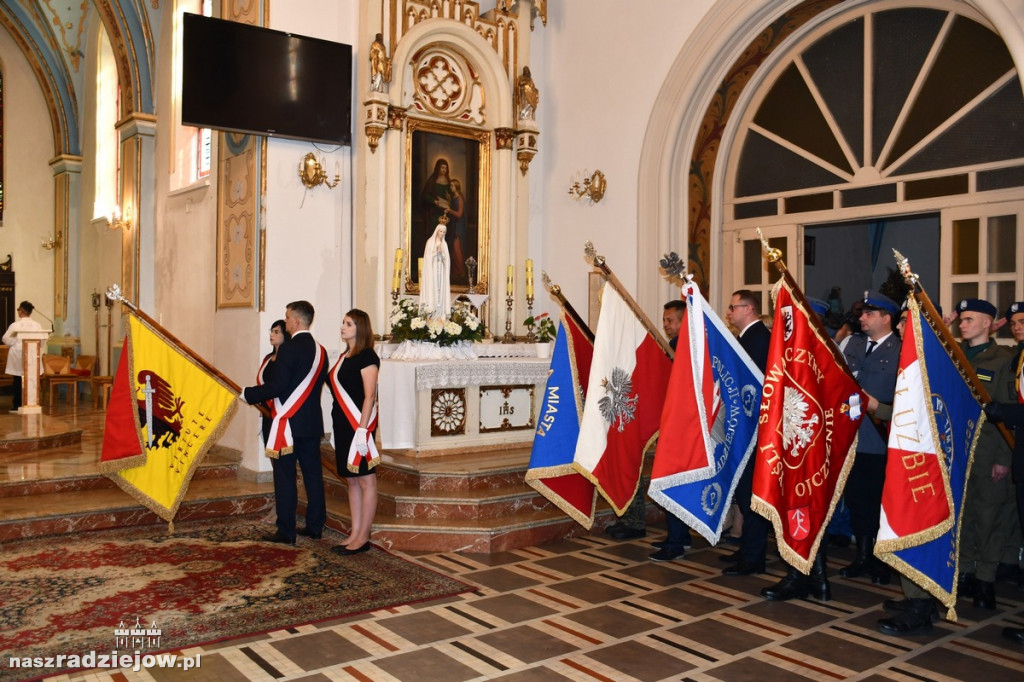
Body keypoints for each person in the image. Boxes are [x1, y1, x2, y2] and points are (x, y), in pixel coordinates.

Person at [241, 301, 328, 545]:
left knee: (285, 476)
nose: (286, 320)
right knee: (313, 475)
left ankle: (286, 530)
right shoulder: (321, 351)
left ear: (297, 321)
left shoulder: (289, 349)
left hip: (286, 424)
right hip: (310, 424)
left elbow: (277, 387)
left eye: (288, 317)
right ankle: (315, 526)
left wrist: (248, 394)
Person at [952, 298, 1014, 610]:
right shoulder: (955, 356)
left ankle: (985, 580)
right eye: (960, 320)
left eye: (969, 320)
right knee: (963, 514)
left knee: (991, 516)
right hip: (958, 448)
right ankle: (964, 571)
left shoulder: (1001, 359)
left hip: (990, 449)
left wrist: (1004, 457)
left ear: (987, 323)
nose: (962, 325)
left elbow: (1007, 413)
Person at [838, 291, 901, 586]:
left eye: (869, 314)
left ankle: (880, 560)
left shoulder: (900, 350)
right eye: (862, 314)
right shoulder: (854, 345)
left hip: (881, 439)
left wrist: (881, 409)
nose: (862, 318)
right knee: (857, 500)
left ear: (886, 318)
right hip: (851, 437)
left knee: (879, 502)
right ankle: (863, 554)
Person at [721, 290, 772, 577]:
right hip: (742, 429)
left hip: (754, 430)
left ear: (748, 309)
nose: (729, 312)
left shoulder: (759, 338)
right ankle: (746, 551)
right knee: (743, 492)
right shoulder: (746, 338)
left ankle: (754, 557)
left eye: (733, 307)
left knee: (752, 495)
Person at [328, 309, 381, 555]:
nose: (342, 326)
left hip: (359, 425)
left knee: (366, 479)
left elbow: (369, 396)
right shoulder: (344, 356)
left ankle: (363, 536)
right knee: (351, 479)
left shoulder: (367, 357)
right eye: (343, 322)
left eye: (348, 323)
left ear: (359, 328)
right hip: (342, 424)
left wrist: (362, 430)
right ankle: (355, 531)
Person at [650, 300, 695, 562]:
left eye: (670, 320)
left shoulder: (681, 346)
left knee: (671, 481)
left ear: (682, 320)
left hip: (679, 426)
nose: (666, 325)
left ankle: (677, 542)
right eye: (664, 320)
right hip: (675, 423)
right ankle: (679, 536)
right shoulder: (679, 344)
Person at [3, 301, 45, 411]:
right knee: (32, 380)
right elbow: (42, 342)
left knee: (18, 381)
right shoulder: (37, 325)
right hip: (32, 356)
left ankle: (17, 405)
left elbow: (6, 340)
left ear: (21, 311)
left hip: (18, 356)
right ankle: (33, 404)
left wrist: (14, 342)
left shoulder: (15, 325)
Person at [255, 320, 291, 446]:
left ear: (285, 335)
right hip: (266, 408)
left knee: (279, 448)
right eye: (271, 331)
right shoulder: (268, 358)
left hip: (279, 408)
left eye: (276, 332)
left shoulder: (287, 359)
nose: (272, 335)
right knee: (268, 445)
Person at [421, 221, 451, 316]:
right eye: (440, 231)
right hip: (432, 271)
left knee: (440, 290)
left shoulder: (444, 244)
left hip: (441, 271)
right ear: (437, 231)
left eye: (443, 232)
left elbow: (446, 260)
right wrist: (436, 252)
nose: (442, 234)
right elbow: (427, 257)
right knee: (432, 288)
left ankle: (440, 314)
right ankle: (431, 314)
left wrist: (441, 254)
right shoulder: (430, 242)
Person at [421, 158, 452, 230]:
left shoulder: (448, 181)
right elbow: (425, 196)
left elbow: (452, 196)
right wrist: (434, 201)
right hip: (434, 211)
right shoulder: (432, 180)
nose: (444, 170)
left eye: (446, 168)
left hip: (445, 211)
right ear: (438, 168)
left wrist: (449, 197)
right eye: (442, 167)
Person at [446, 178, 467, 279]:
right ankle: (456, 272)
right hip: (454, 226)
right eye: (450, 186)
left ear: (456, 187)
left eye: (452, 186)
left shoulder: (460, 199)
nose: (451, 187)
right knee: (453, 251)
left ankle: (461, 272)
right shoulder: (454, 197)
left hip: (458, 227)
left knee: (457, 250)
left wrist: (449, 210)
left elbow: (459, 214)